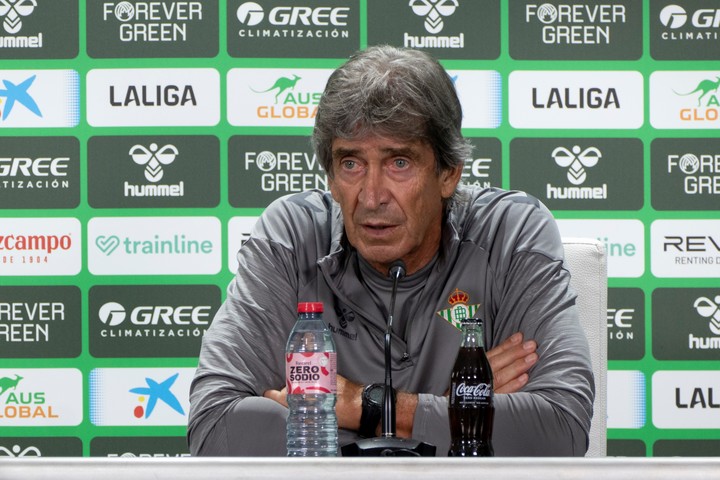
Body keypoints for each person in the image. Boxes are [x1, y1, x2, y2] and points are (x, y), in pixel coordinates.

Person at [188, 45, 594, 456]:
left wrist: (361, 406)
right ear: (330, 176)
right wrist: (461, 405)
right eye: (351, 164)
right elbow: (215, 430)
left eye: (399, 162)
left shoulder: (510, 231)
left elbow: (560, 431)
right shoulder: (292, 236)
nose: (372, 196)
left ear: (448, 173)